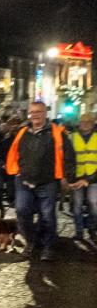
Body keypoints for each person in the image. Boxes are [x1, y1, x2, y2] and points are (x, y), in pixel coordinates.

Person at [6, 101, 75, 261]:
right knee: (22, 212)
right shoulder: (23, 132)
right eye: (33, 112)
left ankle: (48, 247)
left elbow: (69, 156)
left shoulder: (57, 133)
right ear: (29, 114)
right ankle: (31, 241)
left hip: (47, 182)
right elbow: (14, 153)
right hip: (24, 180)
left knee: (47, 216)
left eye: (39, 111)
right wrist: (15, 172)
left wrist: (66, 177)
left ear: (45, 113)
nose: (35, 114)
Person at [69, 114, 97, 242]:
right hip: (77, 177)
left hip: (94, 177)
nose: (85, 123)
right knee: (77, 205)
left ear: (93, 122)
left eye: (88, 121)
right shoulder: (72, 137)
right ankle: (79, 231)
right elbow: (67, 158)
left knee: (94, 203)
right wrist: (70, 177)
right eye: (82, 121)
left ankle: (92, 228)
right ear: (79, 123)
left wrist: (90, 179)